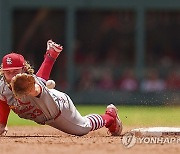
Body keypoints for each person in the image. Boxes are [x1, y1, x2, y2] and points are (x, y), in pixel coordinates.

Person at [0, 40, 122, 136]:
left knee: (83, 128)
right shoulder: (2, 87)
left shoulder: (29, 83)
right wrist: (2, 124)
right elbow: (3, 101)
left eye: (15, 71)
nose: (11, 75)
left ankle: (110, 117)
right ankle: (50, 63)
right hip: (45, 106)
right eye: (7, 72)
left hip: (58, 109)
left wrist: (49, 59)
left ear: (24, 69)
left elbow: (36, 87)